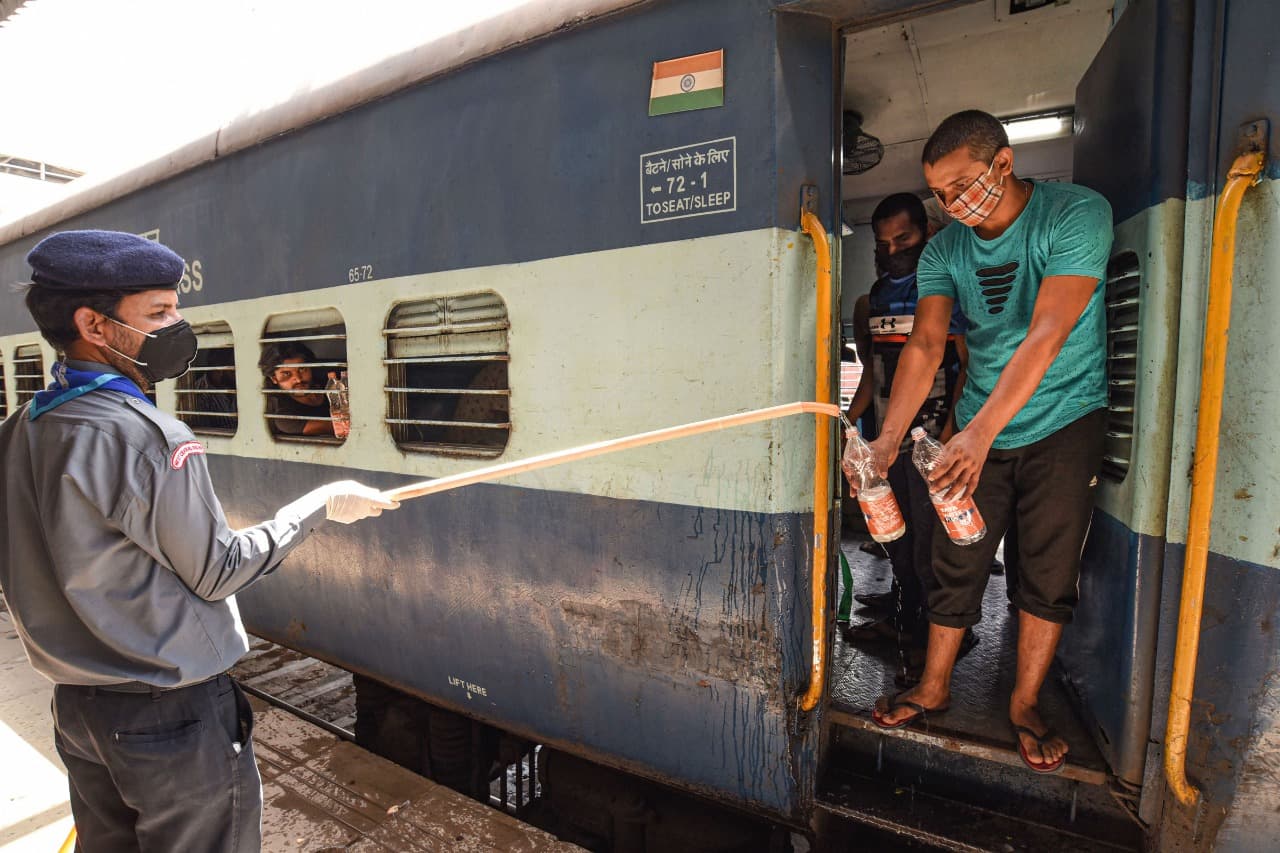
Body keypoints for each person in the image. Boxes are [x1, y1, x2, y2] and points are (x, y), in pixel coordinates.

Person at [0, 230, 399, 852]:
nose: (177, 324)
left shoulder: (24, 425)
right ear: (94, 325)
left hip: (80, 712)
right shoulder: (148, 437)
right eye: (158, 313)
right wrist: (315, 508)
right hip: (171, 720)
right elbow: (218, 571)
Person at [856, 111, 1111, 774]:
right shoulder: (945, 251)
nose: (952, 204)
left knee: (1047, 570)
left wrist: (981, 432)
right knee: (956, 555)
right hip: (977, 426)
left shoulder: (1075, 215)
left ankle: (1025, 703)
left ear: (1002, 164)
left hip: (1062, 418)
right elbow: (924, 344)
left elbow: (1048, 333)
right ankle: (934, 685)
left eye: (962, 185)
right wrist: (885, 441)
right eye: (940, 193)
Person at [841, 193, 972, 684]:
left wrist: (956, 432)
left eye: (904, 238)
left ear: (926, 233)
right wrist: (849, 423)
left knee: (930, 542)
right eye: (883, 242)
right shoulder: (874, 297)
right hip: (884, 439)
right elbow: (874, 375)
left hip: (934, 436)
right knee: (893, 534)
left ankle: (942, 636)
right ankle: (903, 617)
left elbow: (965, 363)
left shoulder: (941, 287)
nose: (892, 249)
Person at [259, 341, 335, 437]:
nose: (298, 379)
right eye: (287, 374)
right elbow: (337, 427)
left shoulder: (328, 384)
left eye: (302, 369)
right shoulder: (283, 414)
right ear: (274, 378)